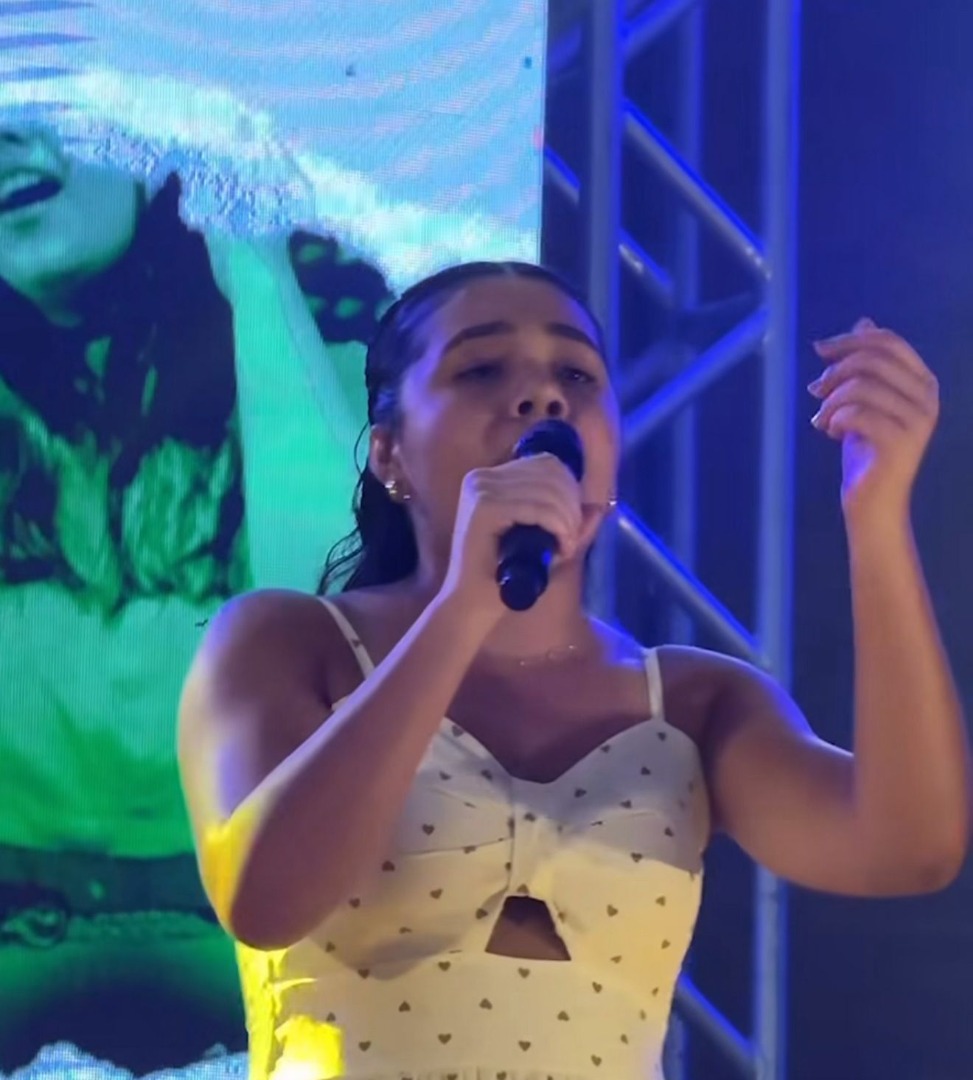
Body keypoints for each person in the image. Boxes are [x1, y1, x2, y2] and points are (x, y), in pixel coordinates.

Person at [178, 260, 970, 1080]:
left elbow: (905, 846)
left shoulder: (694, 701)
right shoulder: (287, 642)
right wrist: (464, 606)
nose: (543, 397)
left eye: (577, 375)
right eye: (482, 369)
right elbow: (264, 899)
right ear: (390, 455)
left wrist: (876, 516)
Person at [0, 119, 391, 1070]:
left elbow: (335, 614)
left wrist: (250, 258)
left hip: (270, 953)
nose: (6, 138)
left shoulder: (324, 315)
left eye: (45, 97)